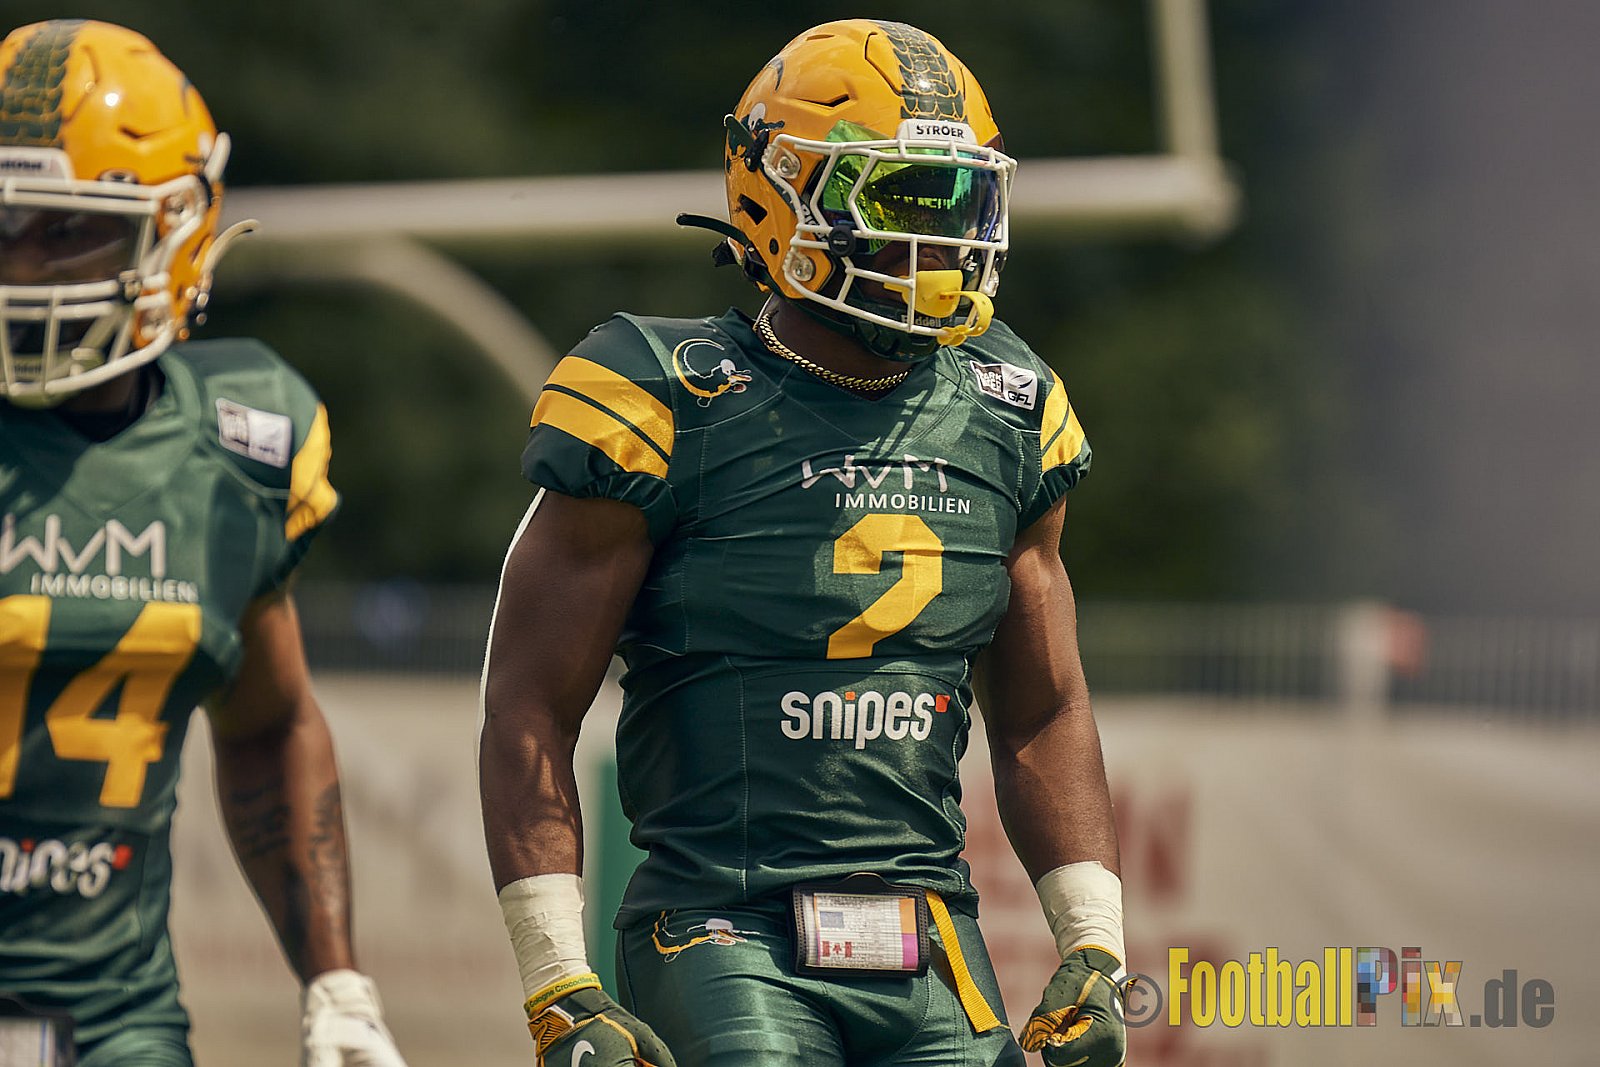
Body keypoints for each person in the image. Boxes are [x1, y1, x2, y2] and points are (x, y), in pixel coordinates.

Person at [481, 18, 1127, 1067]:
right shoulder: (664, 396)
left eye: (959, 200)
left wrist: (1095, 945)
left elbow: (1043, 707)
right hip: (724, 925)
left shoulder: (1009, 406)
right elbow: (528, 703)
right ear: (782, 194)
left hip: (929, 933)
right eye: (903, 198)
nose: (943, 239)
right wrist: (557, 979)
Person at [0, 20, 407, 1067]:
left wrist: (337, 982)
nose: (24, 268)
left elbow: (268, 726)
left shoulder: (235, 445)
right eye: (2, 229)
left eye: (65, 231)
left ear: (175, 235)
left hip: (113, 1023)